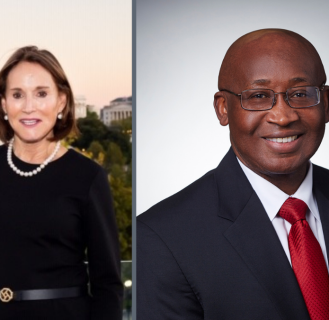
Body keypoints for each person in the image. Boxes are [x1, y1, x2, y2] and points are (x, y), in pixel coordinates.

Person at [137, 29, 329, 320]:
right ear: (223, 109)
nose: (283, 116)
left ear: (326, 103)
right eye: (259, 96)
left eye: (300, 94)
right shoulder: (161, 238)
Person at [0, 46, 123, 320]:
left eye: (41, 93)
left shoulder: (86, 176)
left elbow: (107, 283)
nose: (28, 107)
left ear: (61, 101)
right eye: (17, 95)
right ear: (3, 104)